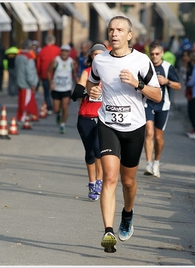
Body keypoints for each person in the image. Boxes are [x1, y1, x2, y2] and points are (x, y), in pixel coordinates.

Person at [87, 15, 161, 253]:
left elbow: (157, 96)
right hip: (107, 124)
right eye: (111, 30)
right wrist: (94, 90)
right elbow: (90, 85)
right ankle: (108, 231)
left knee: (128, 182)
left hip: (134, 127)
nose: (114, 33)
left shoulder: (141, 61)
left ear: (129, 35)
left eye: (119, 30)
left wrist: (137, 84)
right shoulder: (100, 61)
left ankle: (127, 213)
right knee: (109, 177)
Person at [71, 43, 107, 200]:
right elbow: (75, 94)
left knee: (99, 149)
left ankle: (99, 180)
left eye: (101, 53)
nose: (98, 56)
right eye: (95, 54)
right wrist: (87, 91)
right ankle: (92, 182)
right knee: (90, 153)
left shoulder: (110, 73)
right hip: (85, 116)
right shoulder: (87, 72)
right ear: (91, 56)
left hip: (103, 117)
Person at [144, 41, 181, 178]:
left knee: (158, 137)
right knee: (149, 133)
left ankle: (156, 162)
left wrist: (167, 82)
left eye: (157, 54)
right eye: (152, 54)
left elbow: (178, 86)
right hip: (147, 103)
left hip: (163, 105)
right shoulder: (145, 66)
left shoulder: (167, 67)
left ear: (162, 53)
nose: (154, 56)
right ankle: (148, 163)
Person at [46, 44, 75, 134]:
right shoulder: (55, 60)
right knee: (56, 109)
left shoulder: (72, 62)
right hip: (56, 88)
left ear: (69, 53)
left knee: (65, 106)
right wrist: (51, 83)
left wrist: (77, 84)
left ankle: (63, 124)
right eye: (63, 51)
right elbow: (48, 71)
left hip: (67, 88)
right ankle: (58, 114)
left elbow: (74, 74)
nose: (64, 53)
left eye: (66, 51)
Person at [15, 39, 39, 124]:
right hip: (26, 84)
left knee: (21, 101)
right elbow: (30, 72)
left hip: (20, 81)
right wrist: (33, 83)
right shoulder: (29, 57)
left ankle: (21, 117)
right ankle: (23, 118)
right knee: (26, 102)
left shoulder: (18, 56)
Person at [36, 34, 61, 114]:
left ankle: (49, 107)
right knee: (56, 91)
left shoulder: (42, 50)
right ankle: (56, 107)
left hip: (44, 74)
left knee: (46, 92)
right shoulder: (58, 50)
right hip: (56, 74)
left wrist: (38, 74)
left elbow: (38, 64)